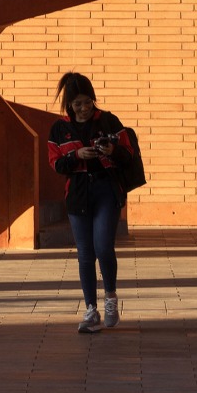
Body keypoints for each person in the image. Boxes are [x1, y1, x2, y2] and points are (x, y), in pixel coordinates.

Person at [47, 71, 135, 333]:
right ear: (69, 106)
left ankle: (110, 298)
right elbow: (56, 164)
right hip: (77, 193)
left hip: (106, 190)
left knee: (103, 247)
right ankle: (90, 310)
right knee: (85, 254)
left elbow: (128, 154)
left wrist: (112, 150)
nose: (84, 108)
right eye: (78, 104)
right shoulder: (59, 129)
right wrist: (76, 155)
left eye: (88, 102)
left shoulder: (109, 121)